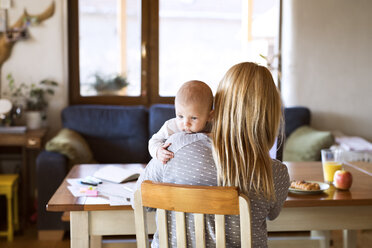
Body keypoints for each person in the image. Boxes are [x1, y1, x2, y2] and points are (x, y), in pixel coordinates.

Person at [134, 62, 290, 247]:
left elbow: (139, 199)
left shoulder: (174, 148)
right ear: (271, 114)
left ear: (219, 105)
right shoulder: (275, 173)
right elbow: (273, 215)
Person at [148, 80, 214, 164]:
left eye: (193, 118)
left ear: (209, 116)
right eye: (180, 116)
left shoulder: (213, 127)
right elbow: (154, 141)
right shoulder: (171, 126)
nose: (186, 123)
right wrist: (158, 151)